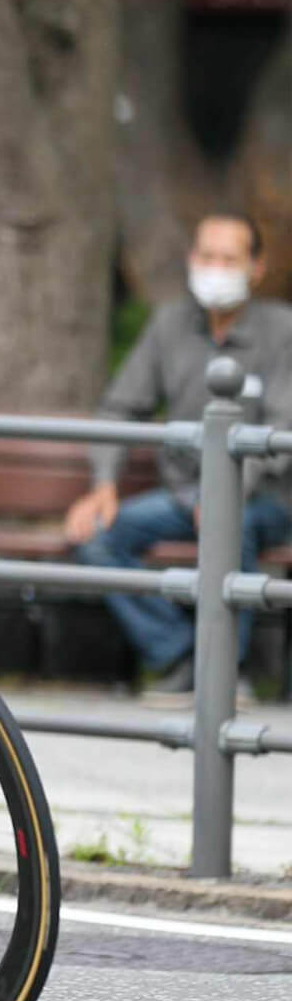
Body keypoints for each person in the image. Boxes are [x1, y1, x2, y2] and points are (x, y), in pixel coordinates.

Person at [68, 213, 292, 698]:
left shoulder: (282, 330)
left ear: (256, 267)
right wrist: (103, 484)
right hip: (181, 496)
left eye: (229, 259)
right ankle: (184, 656)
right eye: (207, 256)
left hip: (262, 500)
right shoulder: (170, 324)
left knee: (234, 524)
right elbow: (118, 408)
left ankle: (224, 676)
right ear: (192, 260)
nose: (215, 268)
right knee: (97, 537)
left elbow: (278, 432)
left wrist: (223, 495)